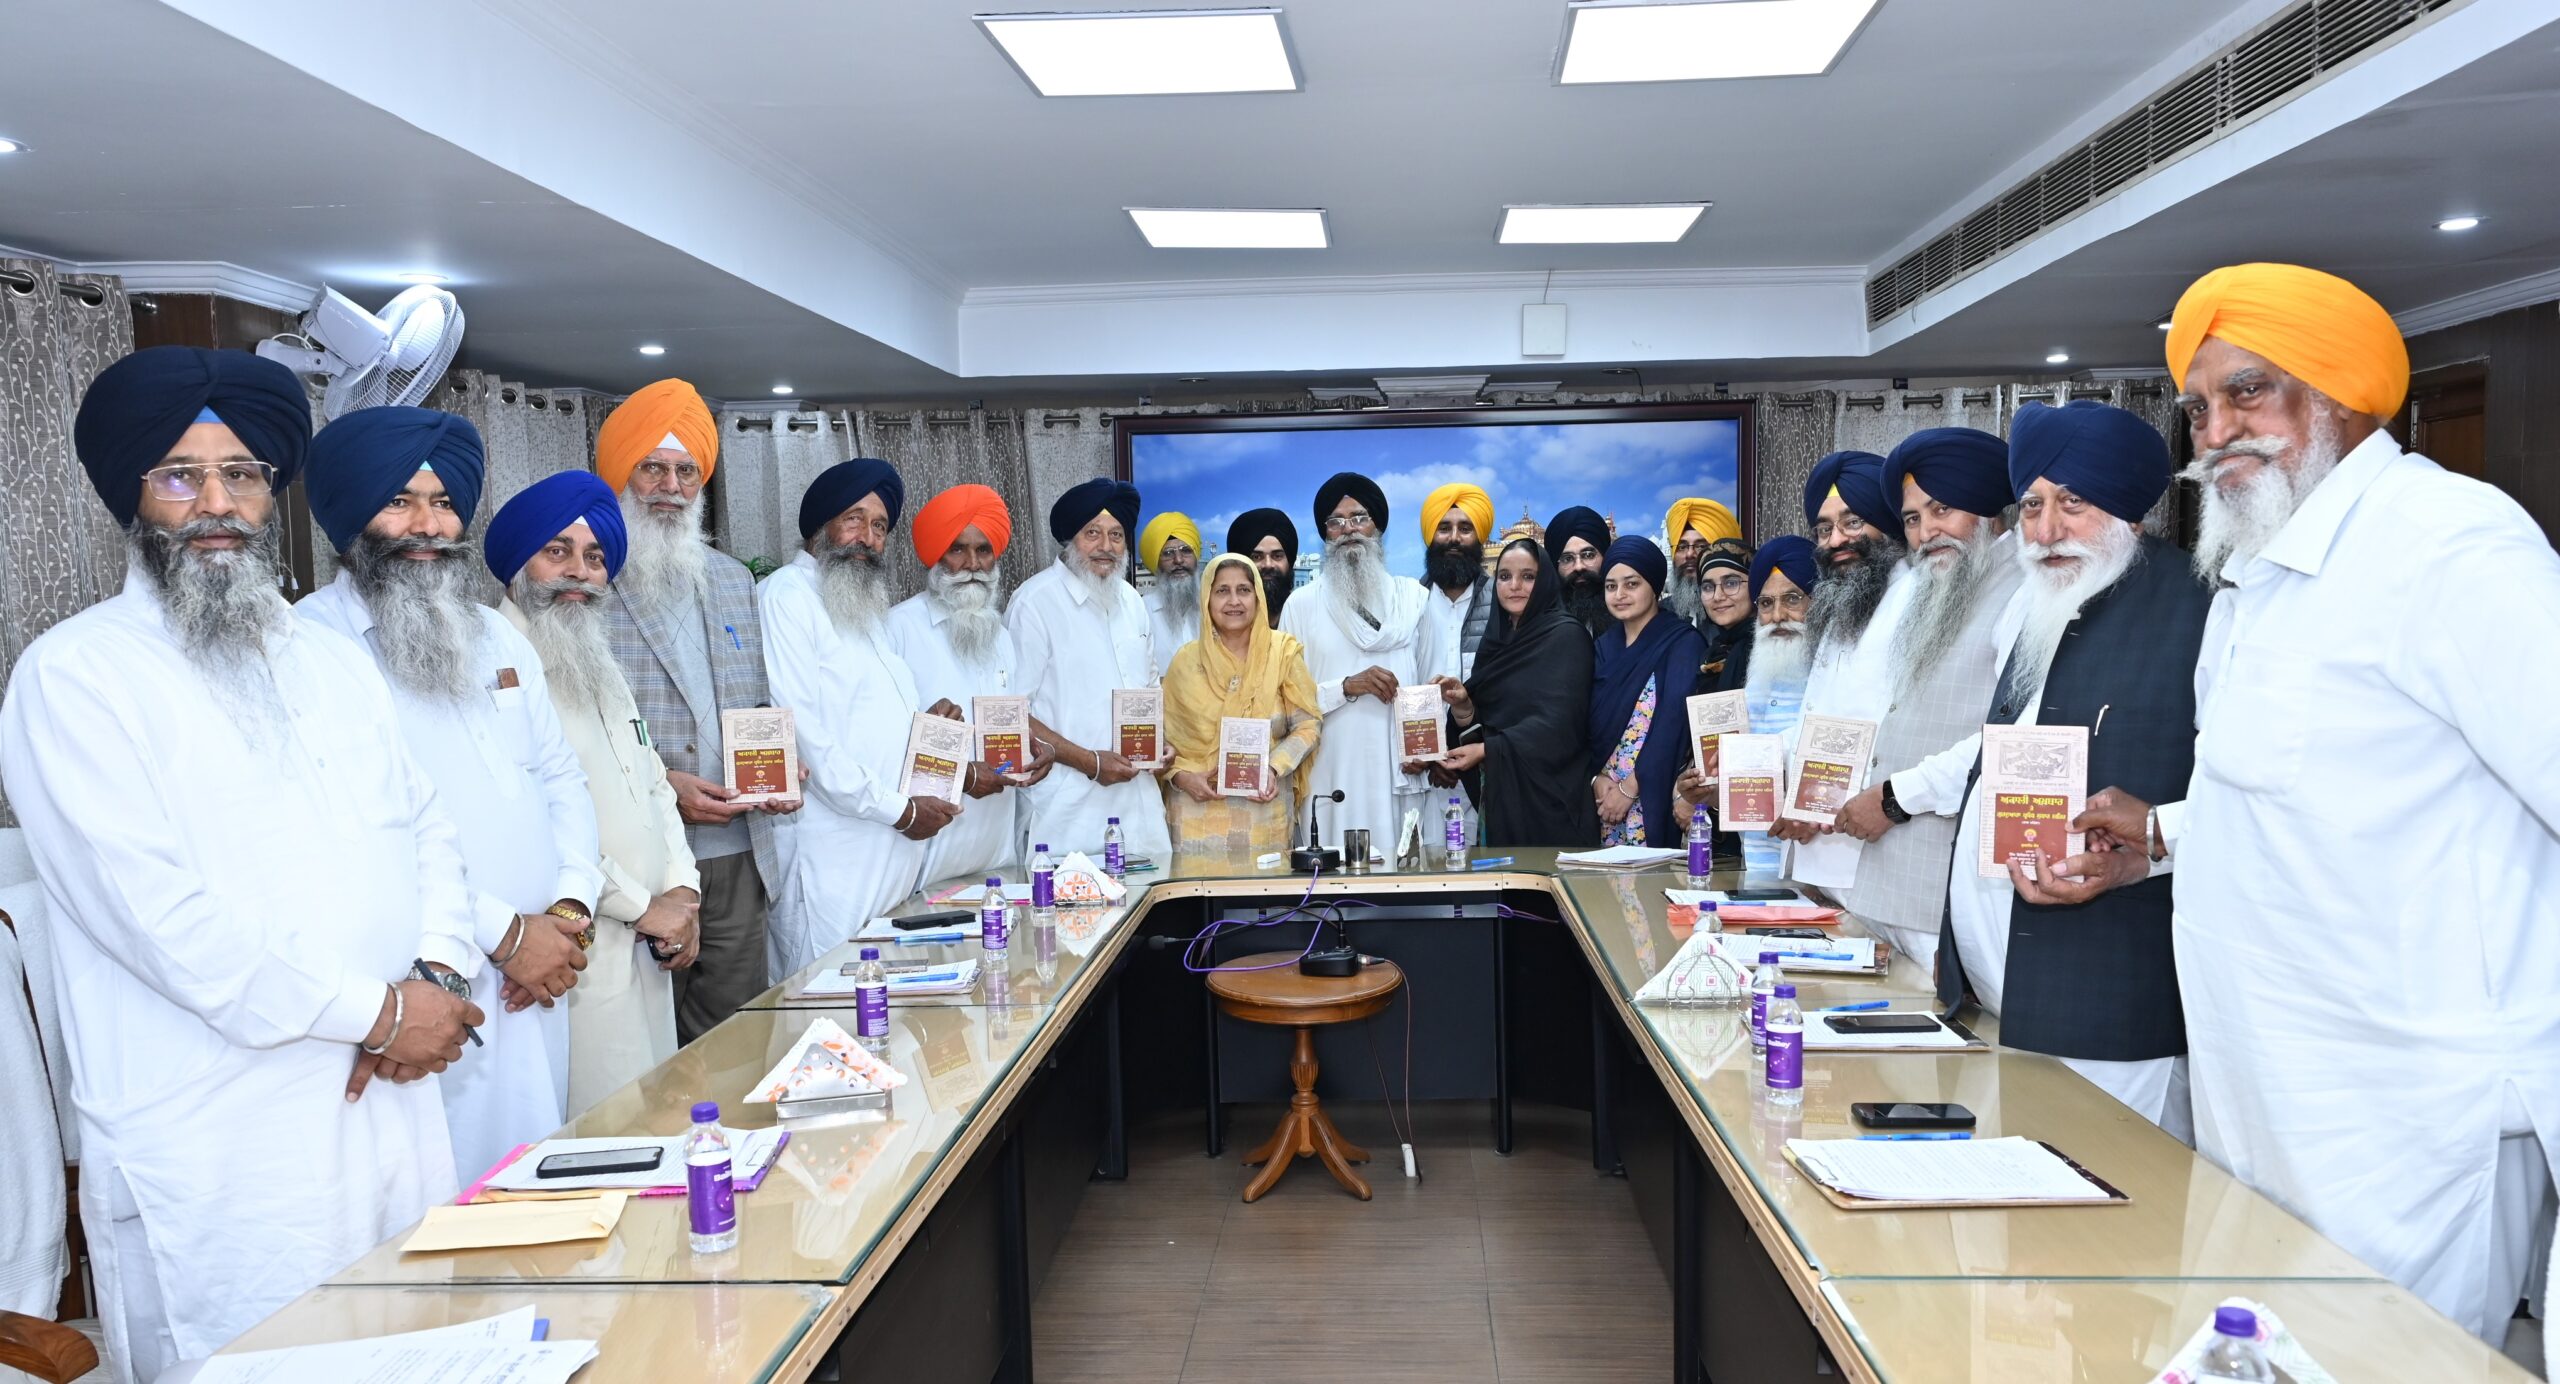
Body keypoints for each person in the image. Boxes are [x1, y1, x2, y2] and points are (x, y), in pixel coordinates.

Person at [2073, 263, 2560, 1345]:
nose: (2216, 432)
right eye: (2199, 408)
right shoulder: (2256, 570)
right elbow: (2299, 796)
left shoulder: (2447, 546)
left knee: (2386, 1360)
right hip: (2260, 1086)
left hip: (2399, 1108)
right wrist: (2159, 838)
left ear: (2340, 393)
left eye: (2248, 392)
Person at [1, 347, 482, 1376]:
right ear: (132, 493)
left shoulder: (328, 659)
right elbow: (163, 924)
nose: (217, 503)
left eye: (243, 474)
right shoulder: (74, 677)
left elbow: (424, 828)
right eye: (181, 475)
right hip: (224, 1139)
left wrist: (437, 974)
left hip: (391, 1096)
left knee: (416, 1347)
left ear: (273, 491)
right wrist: (382, 1013)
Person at [297, 406, 597, 1178]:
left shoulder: (495, 634)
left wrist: (569, 909)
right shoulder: (309, 649)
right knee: (447, 1193)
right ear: (349, 515)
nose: (427, 525)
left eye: (444, 502)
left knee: (538, 1177)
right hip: (429, 979)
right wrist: (506, 935)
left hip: (543, 973)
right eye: (399, 502)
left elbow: (558, 775)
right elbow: (367, 835)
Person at [1919, 402, 2207, 1138]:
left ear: (2127, 507)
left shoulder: (2201, 607)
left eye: (2072, 503)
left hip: (2108, 992)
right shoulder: (2037, 603)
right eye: (2032, 506)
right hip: (1997, 987)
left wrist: (2150, 850)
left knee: (2111, 1184)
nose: (2045, 532)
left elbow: (2245, 796)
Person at [487, 471, 699, 1111]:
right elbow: (538, 821)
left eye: (595, 557)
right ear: (517, 564)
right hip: (575, 950)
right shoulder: (496, 670)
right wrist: (642, 905)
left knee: (656, 1118)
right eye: (557, 552)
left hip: (648, 941)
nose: (579, 572)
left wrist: (683, 891)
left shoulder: (595, 657)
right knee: (603, 1129)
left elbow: (653, 781)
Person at [595, 379, 793, 1043]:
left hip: (738, 853)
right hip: (642, 862)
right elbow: (578, 729)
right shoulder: (589, 580)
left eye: (686, 471)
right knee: (647, 1047)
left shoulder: (733, 578)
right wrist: (664, 784)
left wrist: (784, 766)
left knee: (736, 1041)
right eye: (652, 467)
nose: (670, 487)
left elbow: (756, 699)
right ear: (621, 475)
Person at [1827, 428, 2023, 969]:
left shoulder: (2023, 589)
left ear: (1988, 509)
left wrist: (1895, 798)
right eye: (1912, 518)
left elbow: (2013, 741)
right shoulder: (1941, 585)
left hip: (1954, 888)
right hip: (1894, 880)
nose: (1926, 532)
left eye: (1942, 510)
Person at [759, 458, 953, 977]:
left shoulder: (865, 609)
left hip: (888, 848)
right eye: (854, 519)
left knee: (885, 1001)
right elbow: (804, 735)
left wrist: (929, 728)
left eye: (880, 526)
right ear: (820, 525)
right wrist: (900, 811)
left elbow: (869, 718)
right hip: (831, 856)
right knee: (830, 999)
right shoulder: (786, 596)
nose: (867, 538)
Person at [884, 484, 1056, 886]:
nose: (972, 564)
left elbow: (1012, 716)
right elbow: (883, 742)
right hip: (927, 852)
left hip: (996, 848)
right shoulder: (897, 629)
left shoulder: (1000, 636)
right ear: (936, 556)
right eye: (957, 549)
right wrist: (964, 775)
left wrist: (1039, 746)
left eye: (984, 550)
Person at [1009, 478, 1175, 862]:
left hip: (1139, 807)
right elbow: (1012, 713)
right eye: (1093, 533)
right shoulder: (1034, 603)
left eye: (1116, 535)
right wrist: (1090, 762)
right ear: (1071, 539)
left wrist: (1161, 742)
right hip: (1065, 811)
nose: (1106, 546)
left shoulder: (1131, 601)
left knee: (1153, 898)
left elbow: (1149, 689)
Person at [1777, 451, 1912, 891]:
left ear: (1886, 523)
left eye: (1853, 522)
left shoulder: (1916, 602)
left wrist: (1818, 800)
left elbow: (1897, 733)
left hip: (1877, 853)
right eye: (1823, 529)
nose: (1836, 540)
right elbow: (1819, 720)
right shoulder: (1841, 605)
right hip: (1816, 846)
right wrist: (1747, 762)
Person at [1278, 472, 1432, 852]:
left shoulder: (1413, 600)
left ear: (1377, 527)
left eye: (1359, 518)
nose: (1348, 530)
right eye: (1336, 522)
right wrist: (1346, 687)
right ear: (1325, 534)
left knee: (1400, 872)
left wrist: (1425, 751)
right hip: (1331, 770)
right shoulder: (1301, 605)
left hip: (1399, 769)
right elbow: (1285, 700)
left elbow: (1430, 684)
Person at [1433, 538, 1598, 848]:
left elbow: (1561, 726)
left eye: (1528, 576)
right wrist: (1463, 706)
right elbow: (1488, 722)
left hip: (1553, 802)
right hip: (1503, 798)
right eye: (1505, 576)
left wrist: (1488, 750)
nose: (1515, 586)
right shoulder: (1495, 642)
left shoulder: (1566, 636)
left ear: (1545, 581)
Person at [1162, 553, 1325, 864]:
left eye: (1244, 590)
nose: (1234, 601)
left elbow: (1308, 725)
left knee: (1264, 895)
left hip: (1263, 814)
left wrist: (1273, 768)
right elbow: (1163, 741)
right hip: (1194, 817)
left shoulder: (1282, 653)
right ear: (1207, 598)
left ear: (1257, 597)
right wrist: (1181, 777)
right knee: (1195, 895)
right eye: (1222, 591)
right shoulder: (1184, 662)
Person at [1586, 536, 1708, 848]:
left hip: (1650, 792)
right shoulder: (1602, 648)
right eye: (1611, 586)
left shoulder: (1682, 642)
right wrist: (1597, 779)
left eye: (1631, 584)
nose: (1619, 595)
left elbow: (1672, 727)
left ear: (1654, 586)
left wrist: (1629, 788)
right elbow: (1584, 723)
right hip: (1602, 798)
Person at [1418, 482, 1496, 684]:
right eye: (1444, 528)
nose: (1454, 538)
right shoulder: (1411, 603)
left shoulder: (1501, 601)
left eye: (1465, 529)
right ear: (1430, 536)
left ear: (1480, 537)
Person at [1137, 509, 1202, 677]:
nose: (1178, 560)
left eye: (1186, 550)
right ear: (1156, 562)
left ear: (1196, 558)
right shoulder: (1140, 612)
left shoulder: (1213, 607)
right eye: (1167, 553)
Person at [1662, 496, 1743, 626]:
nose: (1689, 554)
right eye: (1681, 547)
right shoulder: (1661, 614)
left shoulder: (1742, 614)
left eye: (1700, 546)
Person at [1544, 504, 1614, 638]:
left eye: (1588, 555)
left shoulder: (1629, 618)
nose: (1579, 566)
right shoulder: (1540, 628)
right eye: (1567, 558)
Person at [1226, 507, 1300, 625]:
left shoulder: (1304, 617)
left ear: (1289, 562)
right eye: (1256, 557)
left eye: (1277, 556)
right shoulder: (1222, 622)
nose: (1268, 565)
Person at [1697, 538, 1756, 689]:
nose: (1718, 596)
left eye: (1731, 583)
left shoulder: (1770, 650)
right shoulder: (1713, 653)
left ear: (1755, 586)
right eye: (1708, 587)